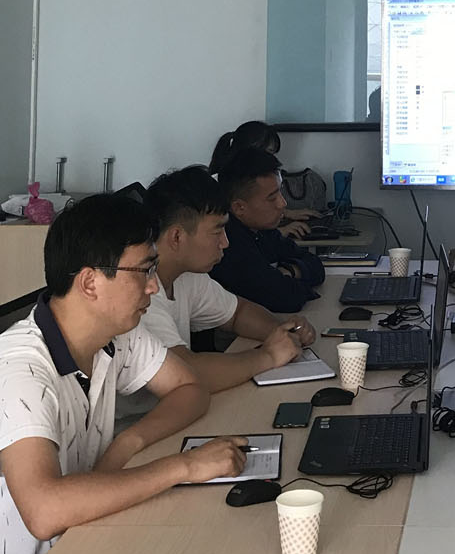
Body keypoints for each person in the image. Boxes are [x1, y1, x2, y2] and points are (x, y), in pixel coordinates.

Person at [0, 195, 246, 554]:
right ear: (91, 283)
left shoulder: (116, 333)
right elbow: (44, 511)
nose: (153, 286)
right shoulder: (19, 371)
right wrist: (182, 467)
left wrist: (128, 442)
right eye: (144, 271)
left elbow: (190, 388)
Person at [139, 165, 317, 395]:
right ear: (177, 237)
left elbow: (238, 312)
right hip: (144, 415)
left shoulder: (186, 276)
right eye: (217, 232)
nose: (225, 243)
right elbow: (183, 372)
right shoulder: (140, 293)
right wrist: (269, 355)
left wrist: (283, 334)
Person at [211, 148, 326, 314]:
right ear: (239, 207)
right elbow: (287, 299)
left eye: (280, 192)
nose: (282, 203)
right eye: (272, 198)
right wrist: (291, 278)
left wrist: (289, 271)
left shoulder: (263, 229)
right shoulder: (229, 244)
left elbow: (316, 266)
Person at [209, 120, 316, 236]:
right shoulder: (216, 186)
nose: (269, 159)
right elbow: (231, 232)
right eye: (267, 153)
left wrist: (287, 213)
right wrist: (280, 232)